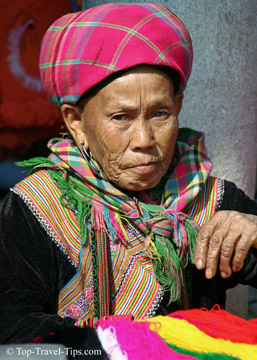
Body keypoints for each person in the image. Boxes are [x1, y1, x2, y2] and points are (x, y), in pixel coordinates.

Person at [0, 2, 257, 355]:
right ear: (77, 122)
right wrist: (126, 347)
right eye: (121, 117)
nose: (144, 140)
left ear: (178, 106)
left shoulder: (209, 202)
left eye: (160, 114)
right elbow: (12, 337)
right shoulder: (36, 207)